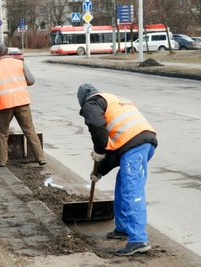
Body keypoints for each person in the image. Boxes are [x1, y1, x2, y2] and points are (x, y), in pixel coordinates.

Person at [77, 83, 158, 256]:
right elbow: (119, 147)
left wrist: (99, 150)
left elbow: (96, 126)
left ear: (83, 100)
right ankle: (122, 229)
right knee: (123, 185)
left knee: (131, 190)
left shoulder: (91, 103)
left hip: (135, 146)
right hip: (142, 142)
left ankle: (138, 240)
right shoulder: (111, 99)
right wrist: (99, 171)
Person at [0, 44, 46, 167]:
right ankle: (40, 158)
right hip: (22, 102)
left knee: (3, 133)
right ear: (7, 52)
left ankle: (1, 161)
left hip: (4, 104)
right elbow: (31, 80)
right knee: (29, 130)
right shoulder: (20, 63)